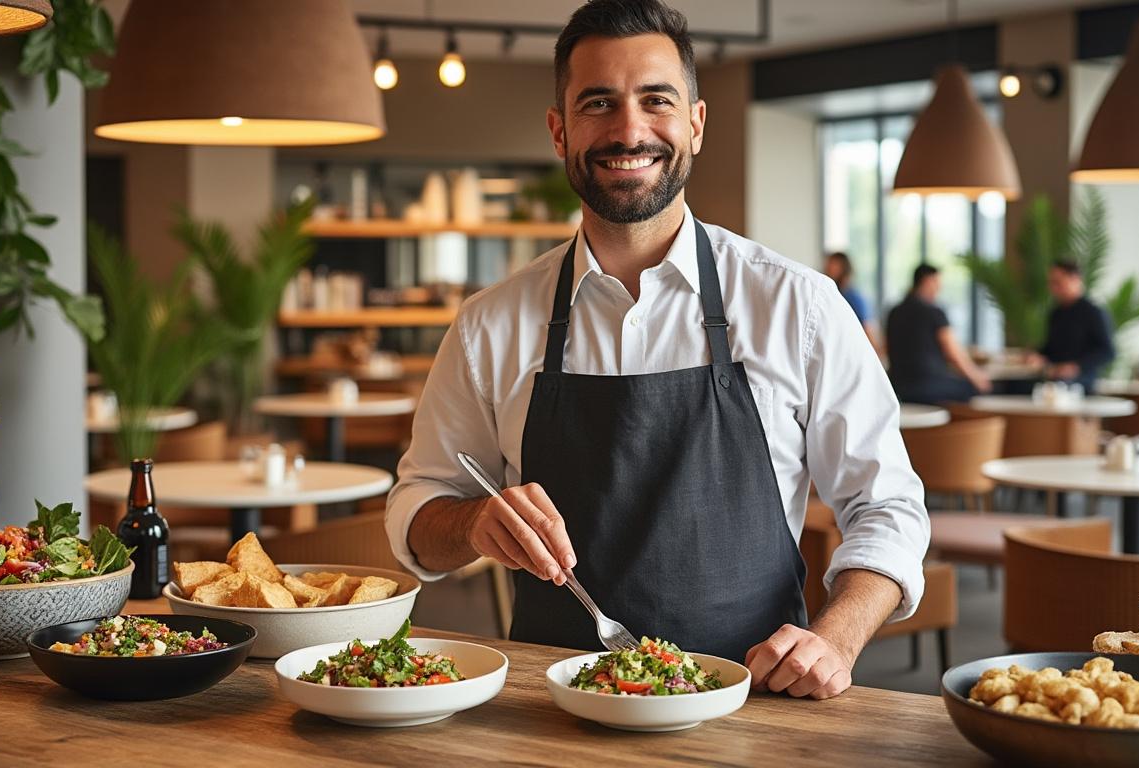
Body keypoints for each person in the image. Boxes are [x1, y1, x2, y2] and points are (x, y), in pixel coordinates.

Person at [386, 0, 928, 701]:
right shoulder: (488, 325)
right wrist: (472, 522)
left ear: (695, 123)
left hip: (758, 704)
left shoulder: (799, 305)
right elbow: (418, 515)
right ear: (559, 130)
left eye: (656, 100)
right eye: (598, 103)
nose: (629, 129)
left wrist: (836, 638)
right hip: (547, 715)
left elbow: (887, 506)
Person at [885, 264, 991, 404]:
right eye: (936, 282)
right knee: (979, 389)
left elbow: (887, 348)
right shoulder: (933, 312)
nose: (939, 288)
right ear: (927, 281)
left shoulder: (894, 312)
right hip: (928, 386)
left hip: (898, 386)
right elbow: (953, 353)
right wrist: (976, 377)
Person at [1026, 261, 1115, 393]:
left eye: (1057, 282)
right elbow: (1050, 349)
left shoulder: (1093, 312)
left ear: (1075, 279)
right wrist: (1036, 355)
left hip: (1081, 379)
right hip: (1053, 375)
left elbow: (1107, 352)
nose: (1052, 288)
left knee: (1058, 387)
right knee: (1016, 385)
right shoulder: (1056, 313)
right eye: (1050, 283)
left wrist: (1075, 367)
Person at [823, 252, 882, 354]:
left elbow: (868, 329)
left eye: (833, 265)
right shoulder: (829, 295)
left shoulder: (854, 298)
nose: (827, 268)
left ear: (844, 268)